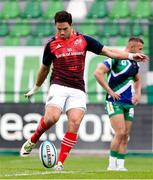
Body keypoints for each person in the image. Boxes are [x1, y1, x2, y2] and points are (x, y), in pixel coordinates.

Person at [20, 10, 148, 171]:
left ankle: (59, 164)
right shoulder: (51, 45)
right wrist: (35, 87)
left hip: (78, 89)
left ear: (71, 25)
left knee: (75, 123)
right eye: (58, 29)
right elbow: (44, 69)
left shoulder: (84, 40)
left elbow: (108, 51)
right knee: (52, 118)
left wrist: (130, 56)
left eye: (64, 29)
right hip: (58, 85)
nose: (61, 32)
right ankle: (33, 139)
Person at [94, 37, 144, 171]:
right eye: (140, 49)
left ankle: (121, 166)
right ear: (132, 47)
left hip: (129, 103)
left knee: (126, 135)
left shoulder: (135, 63)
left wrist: (138, 93)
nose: (141, 52)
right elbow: (98, 73)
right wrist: (109, 91)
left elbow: (138, 79)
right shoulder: (114, 58)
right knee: (120, 132)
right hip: (114, 101)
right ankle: (111, 165)